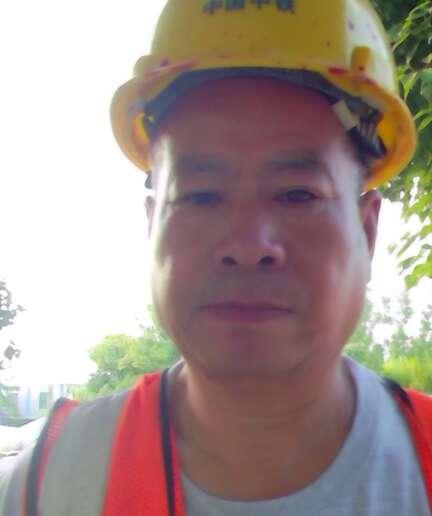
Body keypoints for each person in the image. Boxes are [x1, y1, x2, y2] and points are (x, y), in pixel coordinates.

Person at [1, 1, 431, 515]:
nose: (248, 246)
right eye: (201, 196)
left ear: (367, 229)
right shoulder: (52, 483)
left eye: (297, 194)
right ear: (152, 224)